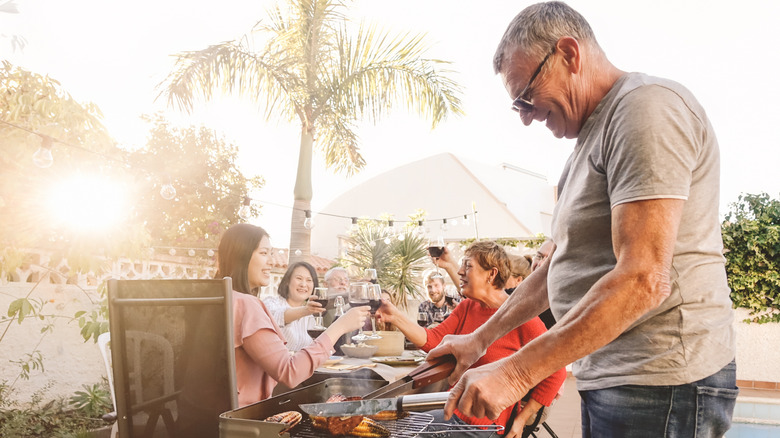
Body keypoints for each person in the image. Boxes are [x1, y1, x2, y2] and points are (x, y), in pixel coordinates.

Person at [428, 3, 737, 437]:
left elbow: (644, 278)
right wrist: (480, 340)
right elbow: (556, 268)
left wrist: (515, 375)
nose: (525, 116)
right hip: (618, 377)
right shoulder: (586, 144)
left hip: (663, 381)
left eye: (525, 96)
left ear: (569, 54)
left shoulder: (645, 109)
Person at [377, 240, 565, 438]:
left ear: (491, 274)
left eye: (468, 266)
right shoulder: (468, 307)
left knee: (394, 431)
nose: (459, 271)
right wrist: (394, 315)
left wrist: (520, 421)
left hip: (484, 425)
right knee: (389, 425)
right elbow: (433, 340)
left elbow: (557, 371)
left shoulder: (523, 318)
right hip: (453, 410)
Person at [216, 223, 369, 406]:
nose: (271, 262)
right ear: (240, 255)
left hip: (203, 414)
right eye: (264, 253)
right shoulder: (246, 304)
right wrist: (340, 326)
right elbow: (289, 372)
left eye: (270, 254)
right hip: (242, 420)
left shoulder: (217, 299)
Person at [262, 261, 324, 351]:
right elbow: (278, 317)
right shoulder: (271, 303)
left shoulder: (309, 317)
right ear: (287, 281)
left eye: (309, 280)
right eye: (299, 278)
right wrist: (306, 310)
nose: (303, 284)